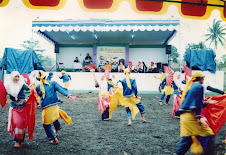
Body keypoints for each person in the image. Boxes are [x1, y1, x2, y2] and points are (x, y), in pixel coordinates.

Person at [174, 72, 215, 155]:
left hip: (185, 117)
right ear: (200, 78)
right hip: (191, 116)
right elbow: (198, 103)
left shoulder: (191, 86)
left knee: (188, 138)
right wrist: (198, 117)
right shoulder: (199, 86)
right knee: (208, 134)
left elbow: (194, 102)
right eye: (203, 77)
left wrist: (206, 103)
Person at [36, 70, 75, 145]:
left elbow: (41, 97)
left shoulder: (38, 87)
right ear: (46, 76)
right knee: (55, 118)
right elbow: (60, 89)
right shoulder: (53, 83)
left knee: (46, 124)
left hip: (47, 107)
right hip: (55, 105)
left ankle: (54, 139)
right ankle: (56, 131)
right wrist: (68, 95)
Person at [5, 71, 33, 147]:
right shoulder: (8, 86)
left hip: (22, 108)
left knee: (22, 124)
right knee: (16, 124)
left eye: (18, 76)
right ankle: (16, 142)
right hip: (14, 108)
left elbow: (27, 88)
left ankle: (20, 141)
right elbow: (3, 93)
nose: (17, 78)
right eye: (15, 76)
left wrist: (30, 87)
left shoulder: (21, 84)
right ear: (12, 77)